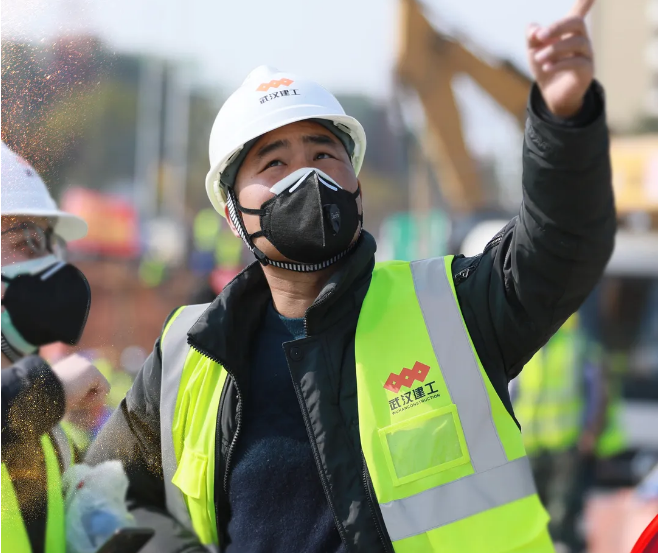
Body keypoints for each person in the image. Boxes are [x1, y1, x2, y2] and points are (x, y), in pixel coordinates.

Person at [87, 1, 616, 551]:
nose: (307, 177)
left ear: (356, 183)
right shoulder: (186, 358)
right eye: (275, 164)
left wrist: (563, 122)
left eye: (323, 154)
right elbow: (104, 496)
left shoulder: (452, 307)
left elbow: (562, 244)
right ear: (231, 212)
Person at [1, 142, 110, 553]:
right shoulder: (38, 399)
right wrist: (48, 390)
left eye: (51, 245)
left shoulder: (48, 429)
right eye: (26, 243)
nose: (52, 265)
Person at [512, 312, 626, 553]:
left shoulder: (578, 346)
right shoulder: (523, 347)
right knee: (530, 514)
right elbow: (514, 393)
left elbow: (598, 393)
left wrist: (591, 432)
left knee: (563, 514)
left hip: (567, 445)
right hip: (530, 445)